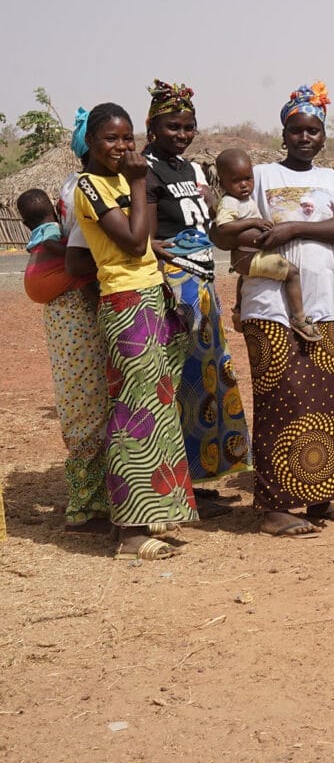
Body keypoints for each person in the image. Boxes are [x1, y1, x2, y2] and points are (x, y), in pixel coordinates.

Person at [227, 82, 334, 538]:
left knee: (321, 400)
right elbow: (230, 222)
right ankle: (276, 507)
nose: (305, 138)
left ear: (323, 136)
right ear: (284, 134)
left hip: (318, 306)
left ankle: (320, 495)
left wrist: (293, 229)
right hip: (268, 304)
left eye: (313, 131)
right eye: (296, 130)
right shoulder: (260, 175)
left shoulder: (330, 180)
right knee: (278, 398)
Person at [73, 102, 196, 559]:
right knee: (135, 411)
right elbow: (131, 241)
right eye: (110, 138)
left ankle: (146, 516)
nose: (122, 147)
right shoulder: (91, 185)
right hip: (125, 301)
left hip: (147, 295)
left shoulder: (120, 181)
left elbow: (142, 242)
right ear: (91, 142)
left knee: (156, 407)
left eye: (127, 138)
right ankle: (129, 533)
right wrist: (142, 180)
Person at [142, 80, 251, 499]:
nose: (182, 135)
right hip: (176, 289)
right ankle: (173, 483)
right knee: (180, 384)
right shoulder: (146, 170)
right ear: (153, 126)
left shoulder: (192, 170)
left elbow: (206, 225)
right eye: (173, 127)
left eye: (188, 127)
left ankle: (197, 477)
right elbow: (152, 240)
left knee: (206, 383)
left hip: (203, 284)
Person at [19, 185, 108, 532]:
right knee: (87, 410)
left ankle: (92, 501)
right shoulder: (60, 235)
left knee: (81, 407)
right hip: (73, 320)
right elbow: (74, 267)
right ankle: (85, 508)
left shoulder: (44, 237)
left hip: (63, 323)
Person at [210, 148, 319, 342]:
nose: (244, 185)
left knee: (245, 278)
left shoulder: (240, 198)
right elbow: (224, 227)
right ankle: (300, 318)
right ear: (222, 182)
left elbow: (215, 210)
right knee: (291, 273)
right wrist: (254, 223)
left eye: (248, 179)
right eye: (236, 181)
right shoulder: (230, 201)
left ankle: (238, 310)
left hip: (246, 257)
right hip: (248, 256)